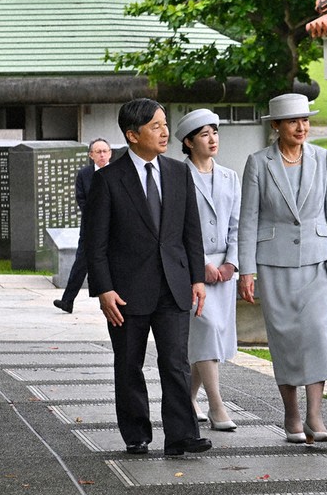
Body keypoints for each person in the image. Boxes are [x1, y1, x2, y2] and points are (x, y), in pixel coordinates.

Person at [85, 98, 211, 456]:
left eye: (165, 124)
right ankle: (136, 434)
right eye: (156, 126)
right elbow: (95, 242)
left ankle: (182, 435)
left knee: (176, 363)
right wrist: (104, 289)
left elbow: (191, 231)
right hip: (126, 291)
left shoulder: (178, 172)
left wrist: (197, 278)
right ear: (132, 134)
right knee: (129, 365)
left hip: (174, 285)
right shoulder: (108, 179)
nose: (165, 132)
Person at [238, 93, 327, 444]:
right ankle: (291, 413)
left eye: (305, 120)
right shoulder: (258, 163)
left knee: (317, 333)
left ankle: (315, 416)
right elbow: (248, 220)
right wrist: (246, 270)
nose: (302, 127)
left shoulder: (323, 158)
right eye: (293, 121)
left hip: (318, 260)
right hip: (273, 263)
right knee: (285, 339)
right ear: (276, 125)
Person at [174, 109, 241, 431]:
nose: (213, 139)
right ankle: (217, 407)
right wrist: (201, 264)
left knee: (209, 339)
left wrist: (232, 263)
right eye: (204, 134)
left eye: (215, 132)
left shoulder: (230, 177)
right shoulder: (177, 176)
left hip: (225, 272)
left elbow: (238, 225)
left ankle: (186, 400)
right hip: (192, 270)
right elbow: (174, 227)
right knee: (207, 329)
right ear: (188, 142)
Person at [53, 138, 112, 313]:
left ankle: (113, 301)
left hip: (115, 226)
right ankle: (67, 301)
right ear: (91, 155)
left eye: (105, 151)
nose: (102, 155)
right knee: (81, 263)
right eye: (98, 152)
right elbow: (81, 199)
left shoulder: (118, 172)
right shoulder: (84, 174)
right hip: (91, 227)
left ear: (110, 153)